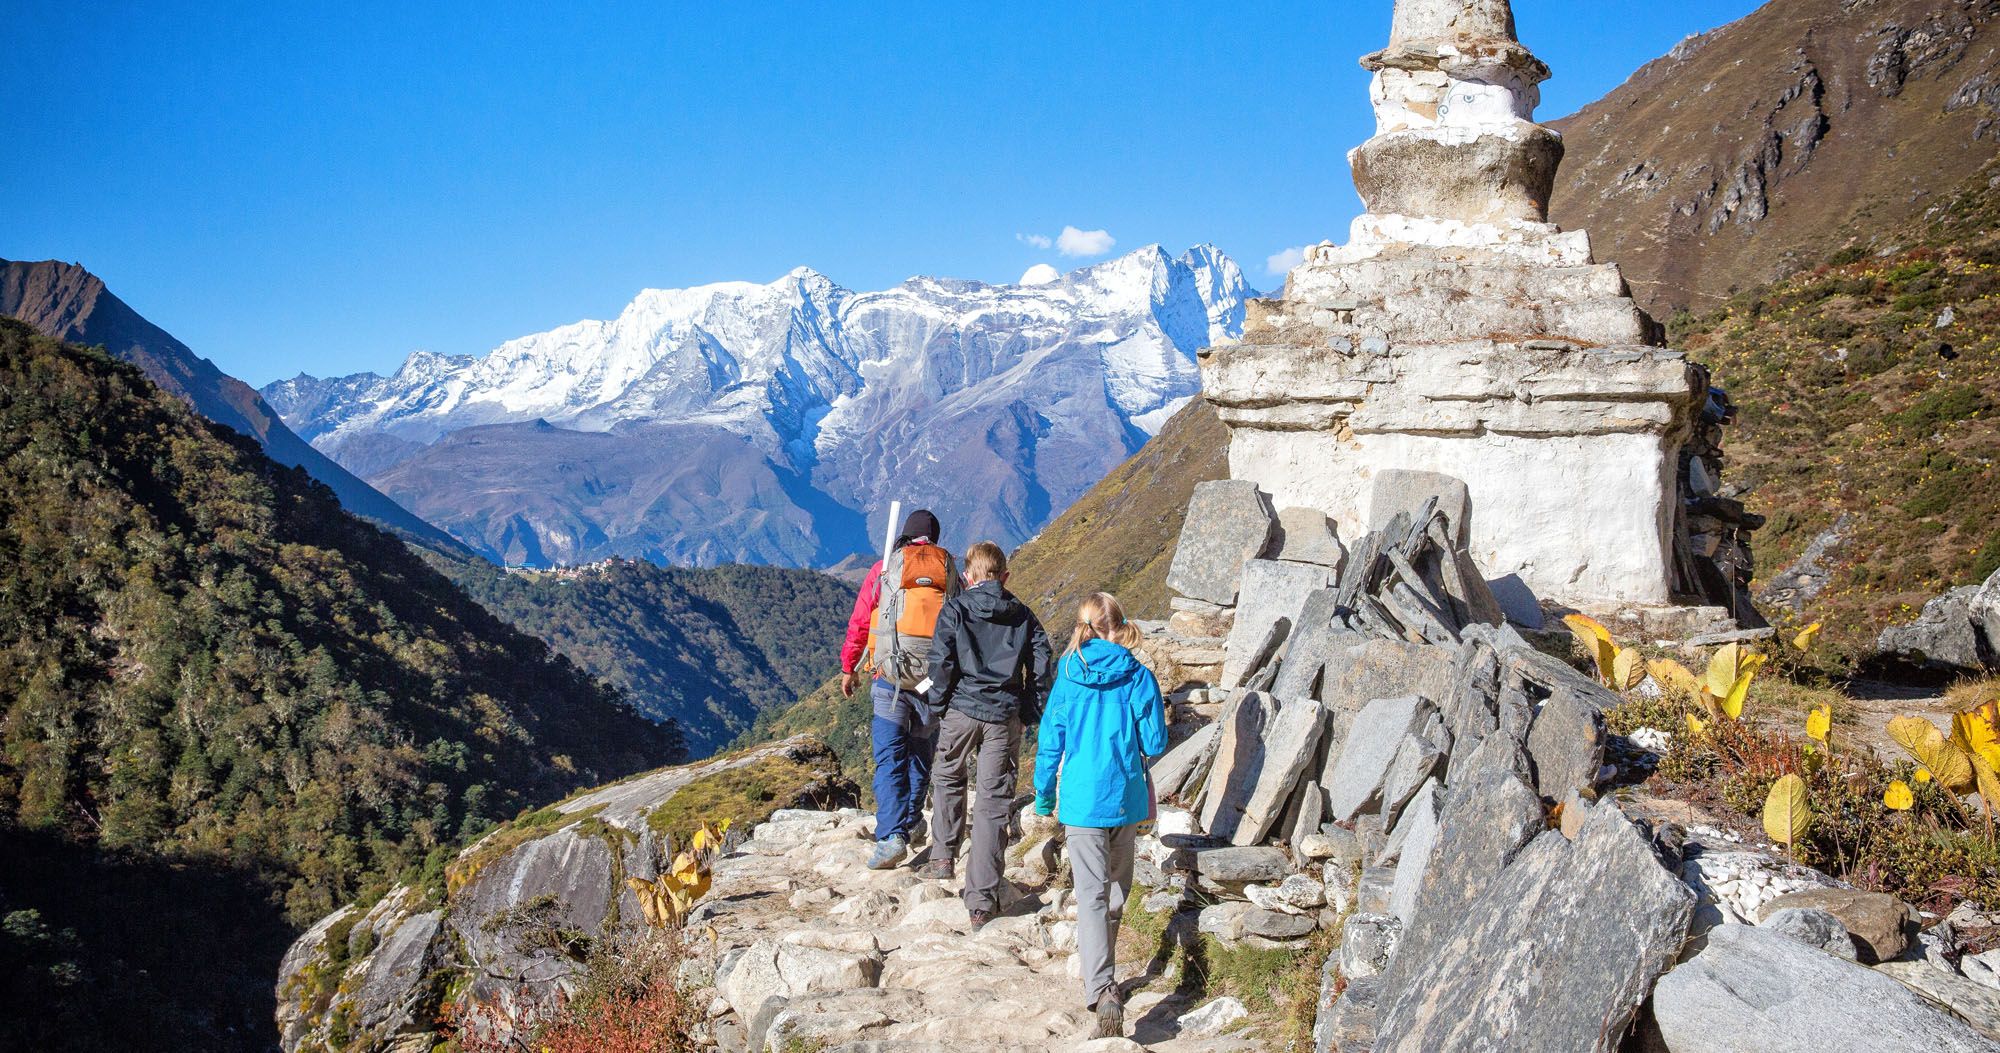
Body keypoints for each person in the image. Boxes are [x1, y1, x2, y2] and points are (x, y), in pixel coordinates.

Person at [1032, 592, 1167, 1039]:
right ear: (1117, 626)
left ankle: (1102, 989)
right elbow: (1155, 743)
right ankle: (1104, 978)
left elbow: (1051, 739)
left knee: (1090, 894)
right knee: (1114, 893)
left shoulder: (1068, 676)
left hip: (1081, 802)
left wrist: (1043, 795)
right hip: (1124, 799)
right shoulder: (1138, 676)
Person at [921, 541, 1053, 928]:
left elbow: (941, 661)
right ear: (1005, 576)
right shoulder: (1024, 616)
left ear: (967, 576)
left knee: (947, 776)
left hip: (960, 709)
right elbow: (1042, 667)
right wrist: (1028, 710)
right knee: (994, 802)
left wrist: (938, 705)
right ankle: (980, 903)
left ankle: (943, 857)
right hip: (1003, 716)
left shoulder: (955, 609)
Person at [840, 508, 960, 870]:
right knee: (921, 753)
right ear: (934, 538)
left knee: (890, 759)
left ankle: (892, 835)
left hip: (888, 677)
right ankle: (909, 821)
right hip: (932, 683)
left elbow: (861, 622)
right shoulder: (949, 571)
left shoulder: (884, 570)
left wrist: (849, 667)